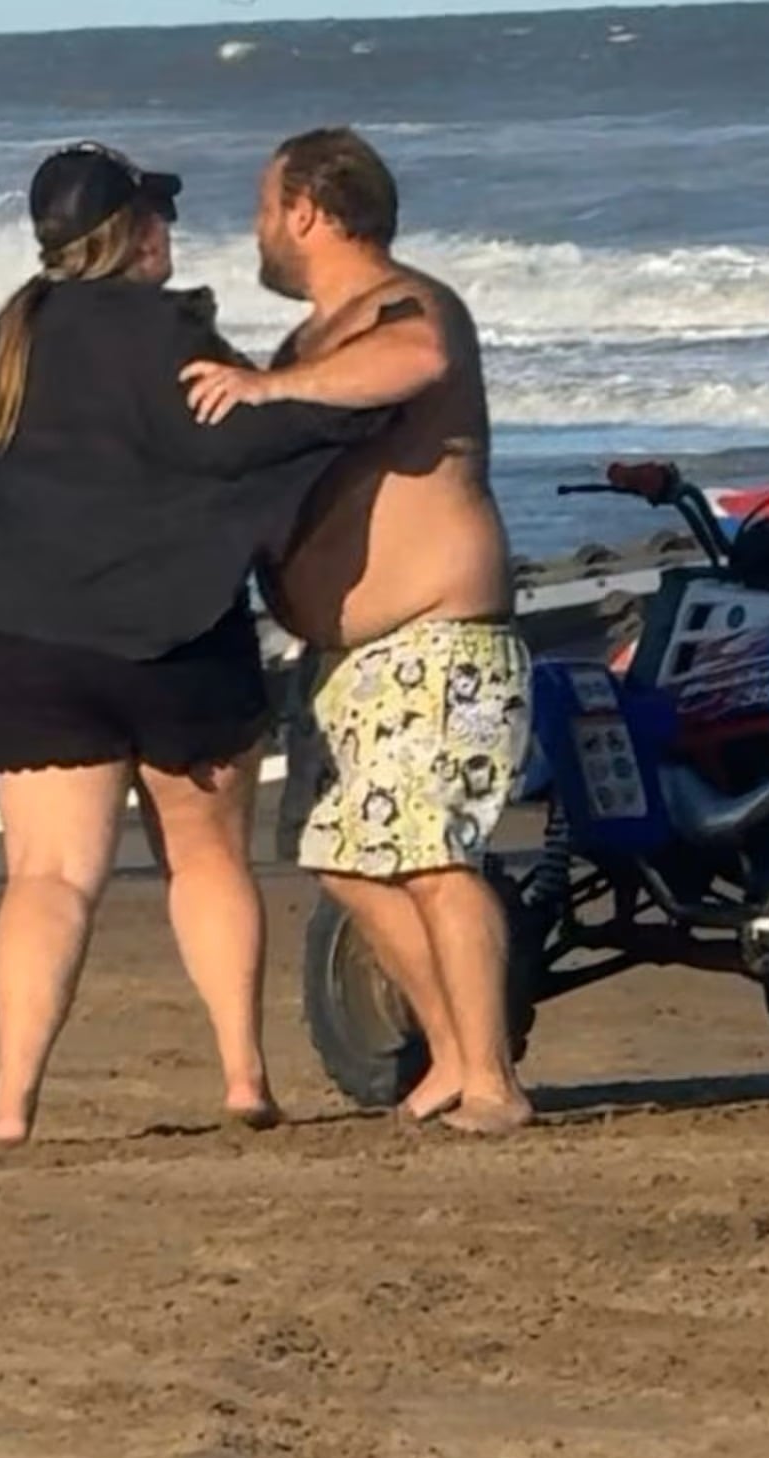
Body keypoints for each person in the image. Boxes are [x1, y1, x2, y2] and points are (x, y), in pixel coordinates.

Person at [0, 141, 385, 1147]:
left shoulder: (12, 334)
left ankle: (11, 1102)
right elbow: (234, 440)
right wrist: (361, 408)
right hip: (178, 623)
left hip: (35, 630)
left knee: (49, 878)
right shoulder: (169, 329)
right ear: (138, 231)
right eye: (161, 216)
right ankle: (242, 1074)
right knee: (204, 860)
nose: (173, 231)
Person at [180, 128, 534, 1136]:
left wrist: (269, 387)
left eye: (262, 205)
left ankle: (495, 1080)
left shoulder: (404, 307)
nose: (254, 229)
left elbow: (415, 359)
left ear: (306, 210)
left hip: (441, 640)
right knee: (343, 853)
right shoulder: (307, 342)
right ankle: (456, 1057)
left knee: (432, 853)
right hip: (350, 661)